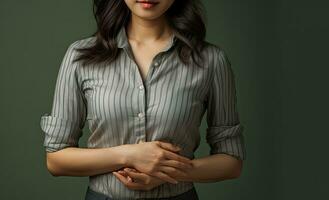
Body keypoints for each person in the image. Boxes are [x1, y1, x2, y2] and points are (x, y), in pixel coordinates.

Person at [39, 0, 247, 199]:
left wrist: (168, 172)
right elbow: (56, 160)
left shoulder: (211, 60)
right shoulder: (80, 57)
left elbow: (231, 161)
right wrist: (129, 155)